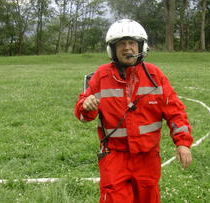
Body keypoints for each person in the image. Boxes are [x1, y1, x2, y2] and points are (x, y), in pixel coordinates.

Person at [74, 19, 193, 203]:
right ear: (112, 49)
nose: (127, 48)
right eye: (121, 43)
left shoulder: (155, 76)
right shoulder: (102, 76)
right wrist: (86, 106)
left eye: (132, 43)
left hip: (147, 158)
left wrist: (182, 143)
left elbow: (175, 111)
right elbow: (83, 115)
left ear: (141, 47)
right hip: (114, 156)